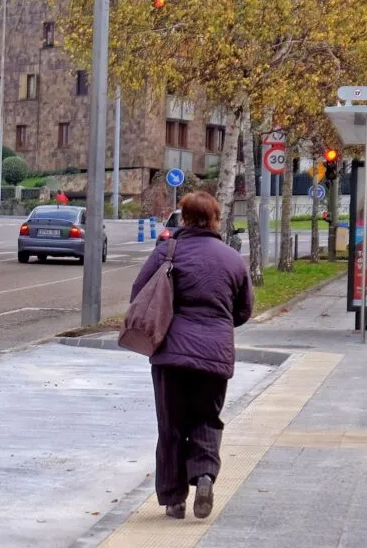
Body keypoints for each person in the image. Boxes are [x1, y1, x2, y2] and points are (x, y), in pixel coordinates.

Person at [130, 191, 253, 520]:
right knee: (207, 419)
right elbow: (243, 311)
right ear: (215, 219)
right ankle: (203, 476)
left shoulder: (166, 252)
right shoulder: (232, 259)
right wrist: (217, 326)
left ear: (183, 217)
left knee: (171, 425)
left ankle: (174, 500)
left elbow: (139, 296)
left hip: (170, 354)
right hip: (215, 355)